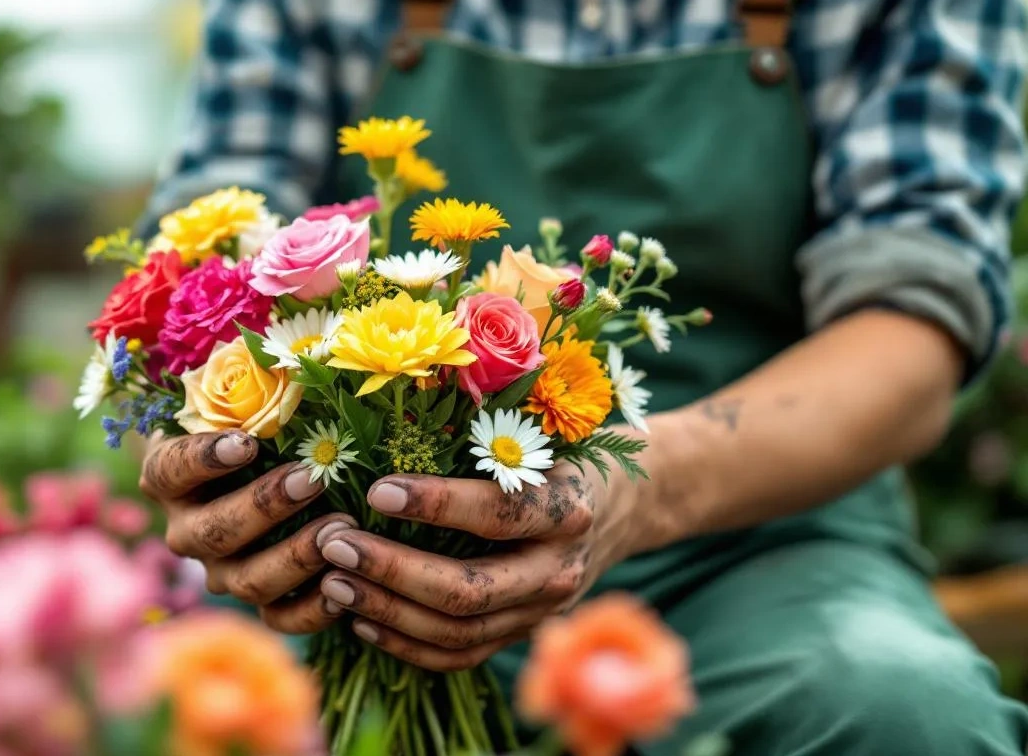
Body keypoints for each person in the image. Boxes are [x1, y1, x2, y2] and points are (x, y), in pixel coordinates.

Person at [136, 0, 1028, 753]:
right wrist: (207, 454)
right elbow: (202, 261)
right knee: (181, 710)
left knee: (906, 713)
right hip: (362, 555)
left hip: (765, 540)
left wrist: (640, 487)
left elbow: (913, 324)